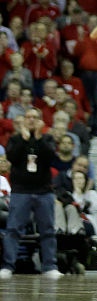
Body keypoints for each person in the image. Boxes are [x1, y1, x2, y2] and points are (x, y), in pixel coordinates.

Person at [0, 108, 61, 279]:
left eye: (35, 117)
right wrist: (24, 140)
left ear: (41, 120)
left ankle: (50, 266)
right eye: (28, 117)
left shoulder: (47, 139)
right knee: (13, 229)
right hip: (21, 191)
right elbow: (11, 157)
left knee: (47, 230)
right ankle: (8, 266)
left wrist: (39, 138)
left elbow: (50, 157)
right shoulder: (15, 139)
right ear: (23, 120)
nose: (31, 120)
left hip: (44, 191)